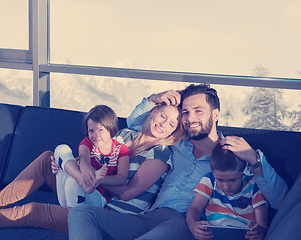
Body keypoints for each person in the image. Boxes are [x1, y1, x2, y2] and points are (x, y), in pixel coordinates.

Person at [68, 83, 288, 240]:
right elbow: (136, 123)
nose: (190, 118)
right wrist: (154, 99)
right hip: (146, 217)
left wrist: (255, 158)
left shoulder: (233, 155)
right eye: (185, 112)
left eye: (198, 111)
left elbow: (280, 199)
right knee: (81, 213)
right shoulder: (174, 144)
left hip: (185, 223)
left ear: (215, 114)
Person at [0, 102, 185, 235]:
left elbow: (128, 192)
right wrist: (70, 167)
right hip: (87, 192)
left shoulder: (161, 153)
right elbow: (92, 152)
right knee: (47, 157)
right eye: (163, 115)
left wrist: (88, 178)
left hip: (109, 214)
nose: (165, 124)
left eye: (173, 123)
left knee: (33, 211)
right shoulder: (125, 133)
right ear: (153, 113)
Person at [54, 105, 130, 209]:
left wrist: (100, 180)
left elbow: (121, 179)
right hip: (68, 192)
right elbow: (83, 157)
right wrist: (86, 172)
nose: (96, 135)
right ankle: (81, 180)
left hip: (96, 197)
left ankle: (74, 218)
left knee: (73, 182)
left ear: (111, 128)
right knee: (61, 149)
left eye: (100, 130)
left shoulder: (121, 149)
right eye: (91, 131)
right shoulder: (88, 142)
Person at [186, 143, 268, 240]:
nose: (226, 186)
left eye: (233, 180)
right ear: (213, 173)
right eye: (220, 180)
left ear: (243, 172)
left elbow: (262, 225)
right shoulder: (210, 180)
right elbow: (194, 208)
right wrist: (192, 225)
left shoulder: (253, 186)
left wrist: (258, 231)